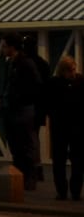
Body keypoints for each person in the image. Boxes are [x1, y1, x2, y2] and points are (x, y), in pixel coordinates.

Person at [0, 32, 43, 190]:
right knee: (15, 146)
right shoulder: (9, 62)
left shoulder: (25, 63)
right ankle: (19, 176)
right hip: (10, 108)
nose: (2, 50)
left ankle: (29, 178)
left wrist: (21, 97)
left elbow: (36, 85)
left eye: (4, 46)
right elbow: (6, 84)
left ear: (12, 47)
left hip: (22, 109)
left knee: (25, 145)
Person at [46, 55, 84, 201]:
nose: (73, 73)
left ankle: (75, 191)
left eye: (73, 70)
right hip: (61, 127)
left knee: (77, 161)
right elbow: (49, 104)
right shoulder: (54, 83)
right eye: (69, 71)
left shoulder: (80, 81)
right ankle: (62, 191)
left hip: (76, 128)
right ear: (63, 71)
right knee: (60, 160)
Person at [24, 33, 53, 183]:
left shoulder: (27, 63)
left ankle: (34, 167)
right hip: (40, 106)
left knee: (30, 137)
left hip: (30, 105)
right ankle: (38, 166)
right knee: (34, 136)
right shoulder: (43, 64)